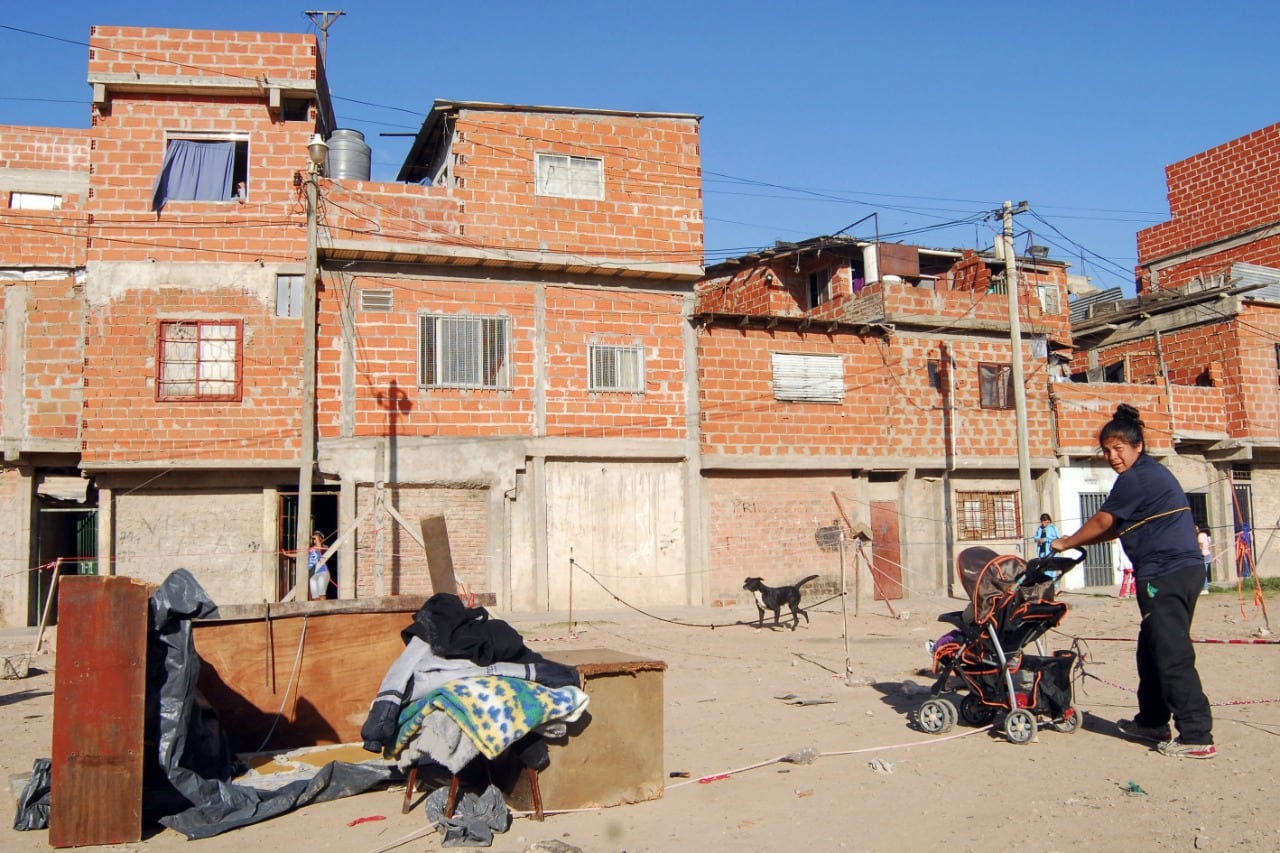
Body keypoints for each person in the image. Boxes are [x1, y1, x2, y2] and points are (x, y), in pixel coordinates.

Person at [1051, 404, 1215, 759]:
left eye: (1118, 449)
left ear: (1137, 446)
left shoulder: (1137, 478)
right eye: (1107, 451)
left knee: (1171, 653)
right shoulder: (1147, 477)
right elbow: (1110, 530)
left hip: (1166, 573)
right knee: (1151, 647)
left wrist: (1065, 541)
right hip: (1178, 570)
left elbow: (1102, 519)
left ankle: (1196, 735)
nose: (1112, 457)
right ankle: (1153, 719)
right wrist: (1072, 542)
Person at [306, 531, 331, 600]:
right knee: (315, 597)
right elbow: (300, 555)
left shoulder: (324, 547)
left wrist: (318, 540)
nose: (314, 540)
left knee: (321, 594)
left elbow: (321, 549)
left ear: (321, 539)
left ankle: (324, 610)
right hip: (312, 574)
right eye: (313, 538)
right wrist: (286, 554)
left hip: (322, 572)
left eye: (316, 538)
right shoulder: (310, 549)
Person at [1196, 525, 1212, 594]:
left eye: (1196, 528)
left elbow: (1201, 547)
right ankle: (1205, 588)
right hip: (1208, 554)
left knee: (1203, 573)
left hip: (1204, 555)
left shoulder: (1200, 536)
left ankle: (1205, 589)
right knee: (1204, 572)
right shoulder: (1206, 535)